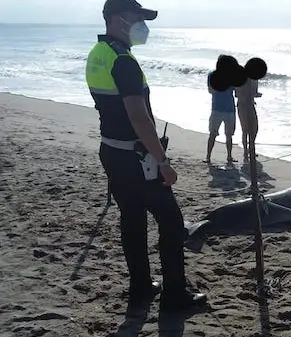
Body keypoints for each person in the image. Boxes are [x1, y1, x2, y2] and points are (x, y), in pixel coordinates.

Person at [85, 0, 207, 311]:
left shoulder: (99, 54)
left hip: (111, 151)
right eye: (138, 17)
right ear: (118, 19)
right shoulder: (123, 61)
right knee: (170, 220)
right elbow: (139, 118)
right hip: (136, 158)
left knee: (132, 220)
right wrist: (163, 162)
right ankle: (175, 294)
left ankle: (140, 286)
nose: (143, 24)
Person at [205, 55, 239, 165]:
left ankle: (229, 156)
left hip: (229, 109)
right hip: (217, 108)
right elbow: (210, 90)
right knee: (213, 133)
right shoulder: (212, 75)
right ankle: (208, 157)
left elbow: (237, 91)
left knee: (229, 135)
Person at [235, 75, 262, 160]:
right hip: (242, 105)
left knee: (255, 128)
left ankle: (251, 148)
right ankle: (246, 151)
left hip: (251, 105)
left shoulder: (254, 79)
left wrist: (255, 94)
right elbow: (237, 93)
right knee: (245, 129)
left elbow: (254, 93)